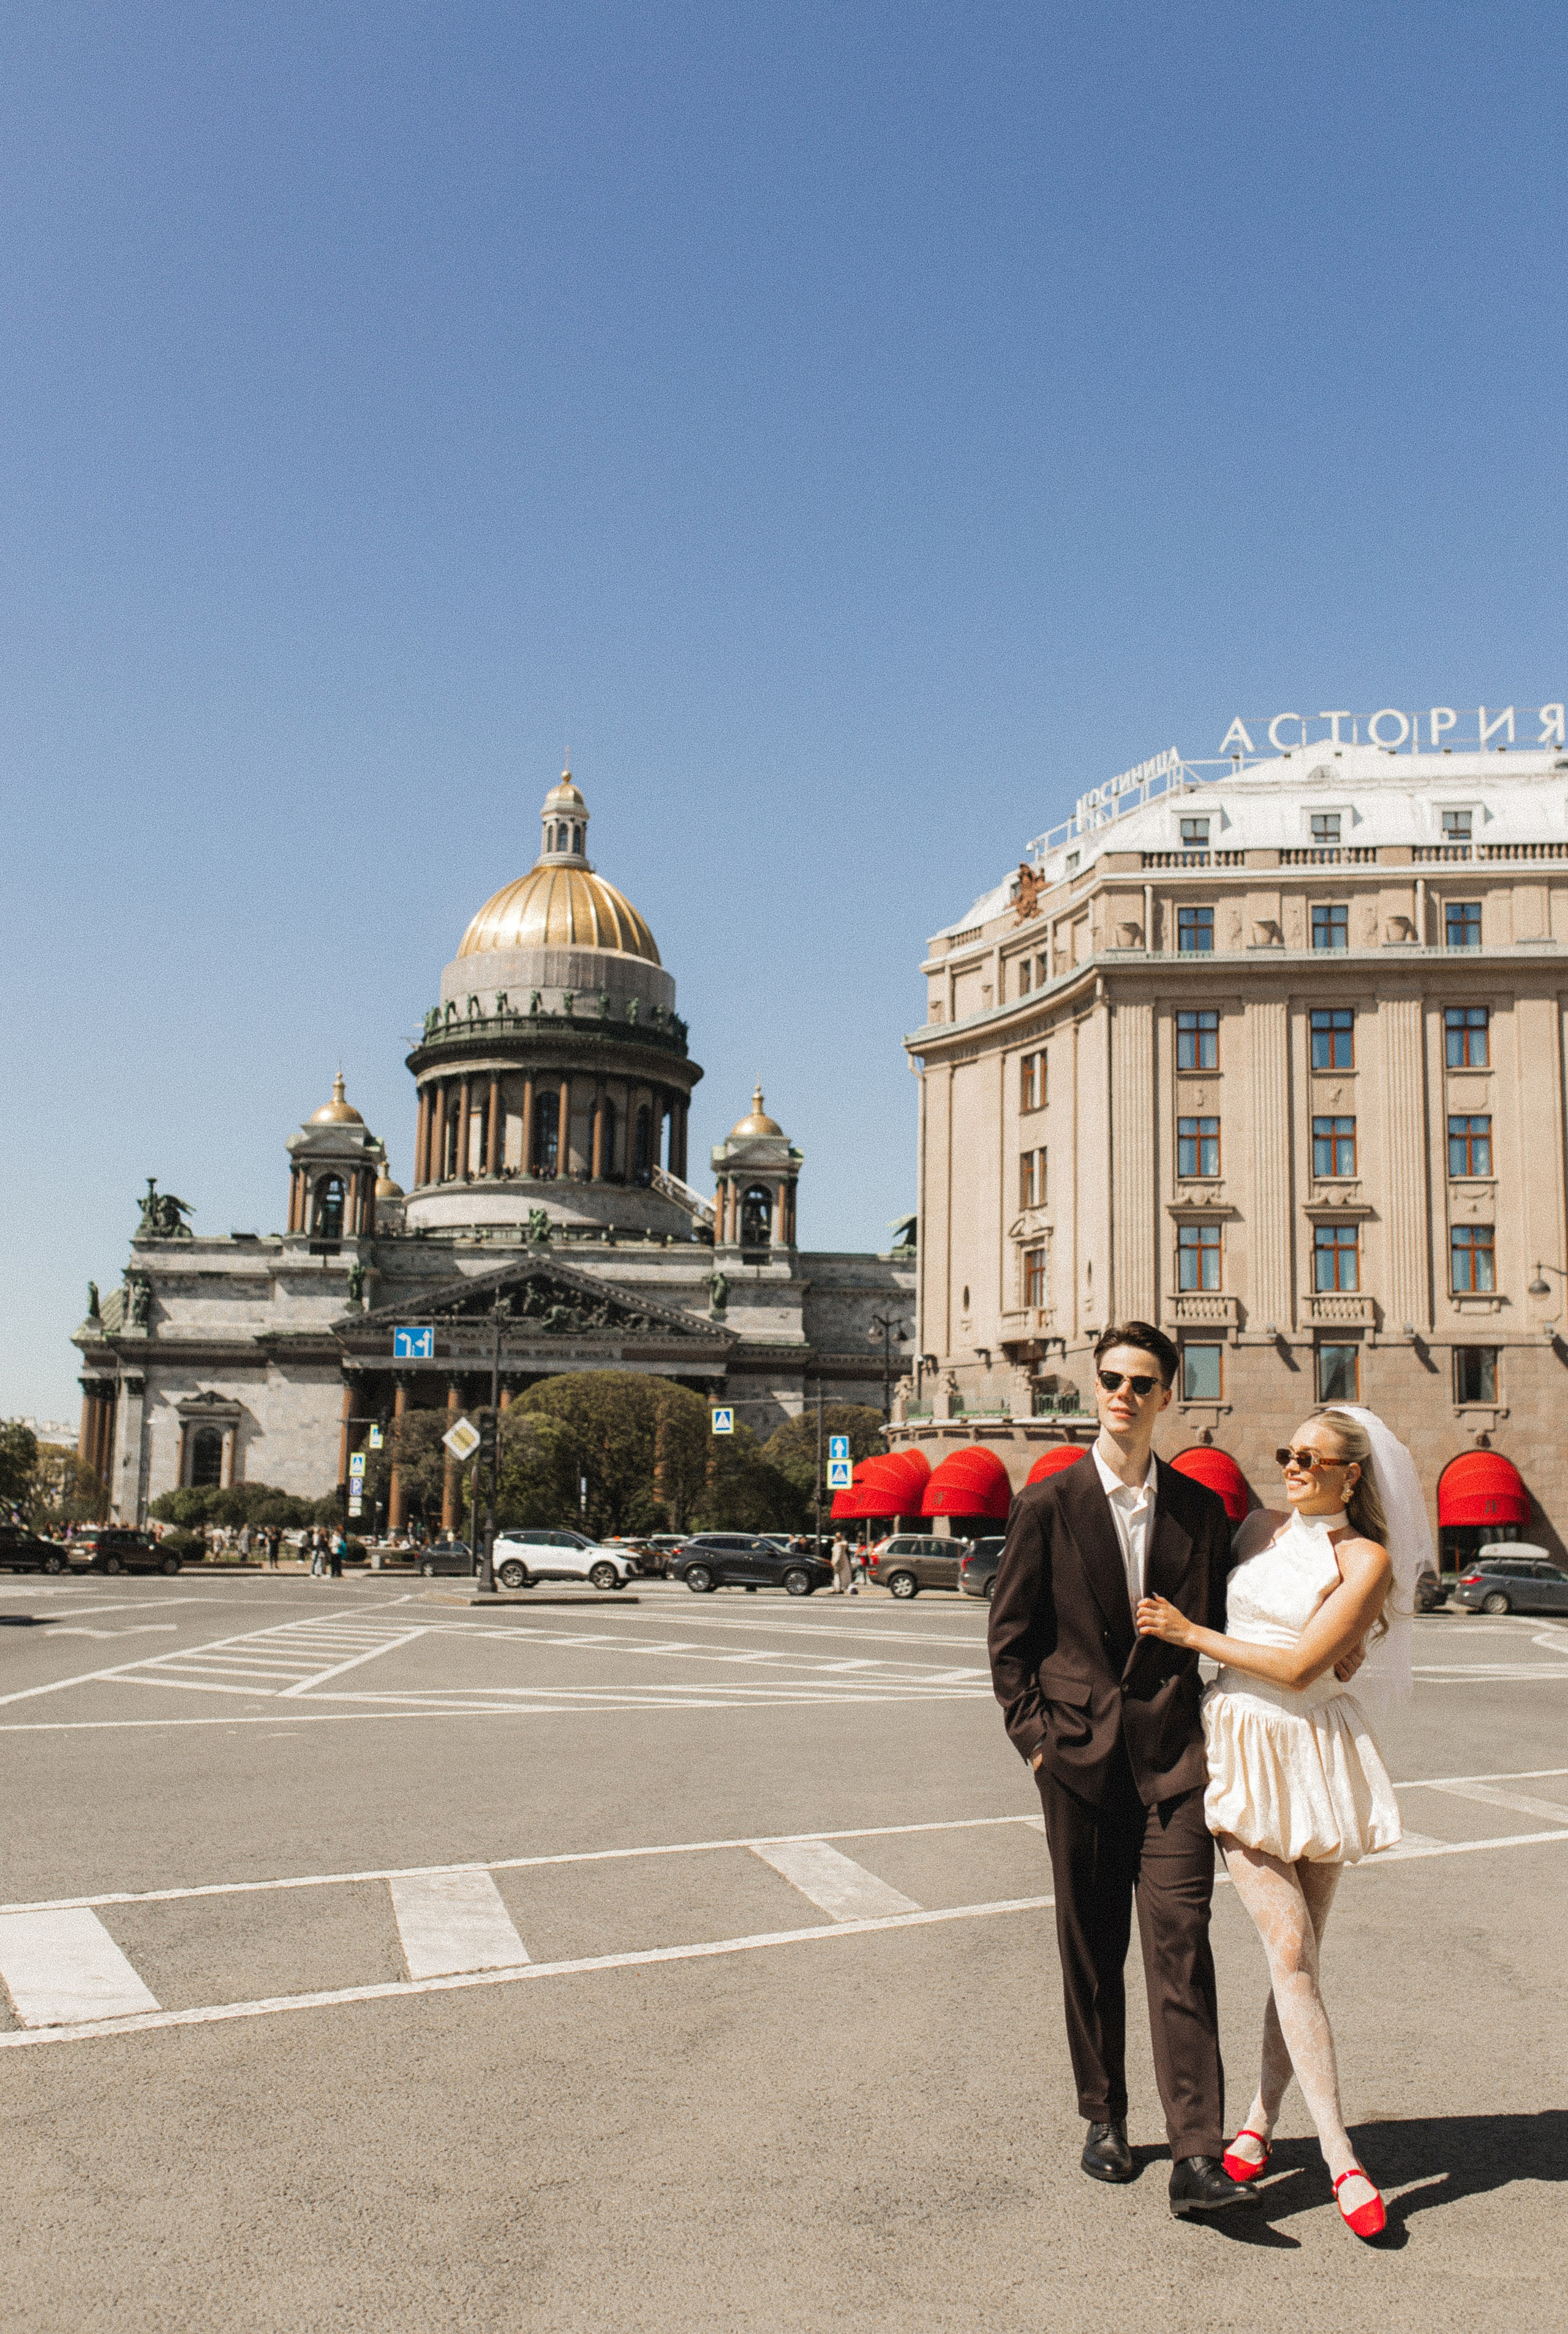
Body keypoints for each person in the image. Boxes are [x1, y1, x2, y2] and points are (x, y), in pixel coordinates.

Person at [1135, 1406, 1417, 2241]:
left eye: (1310, 1457)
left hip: (1315, 1748)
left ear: (1351, 1474)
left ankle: (1259, 2119)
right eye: (1286, 1453)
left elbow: (1301, 1667)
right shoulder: (1254, 1526)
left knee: (1301, 1963)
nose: (1292, 1466)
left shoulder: (1365, 1557)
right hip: (1241, 1744)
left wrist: (1196, 1636)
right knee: (1288, 1950)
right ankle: (1342, 2157)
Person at [988, 1321, 1248, 2217]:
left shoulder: (1199, 1511)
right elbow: (1010, 1642)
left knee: (1183, 1945)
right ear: (1093, 1386)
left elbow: (1231, 1626)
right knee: (1094, 1950)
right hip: (1078, 1763)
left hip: (1175, 1764)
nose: (1124, 1394)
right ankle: (1104, 2115)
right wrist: (1037, 1742)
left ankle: (1197, 2152)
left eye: (1142, 1381)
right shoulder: (1048, 1504)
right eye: (1111, 1378)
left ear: (1169, 1394)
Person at [831, 1531, 853, 1596]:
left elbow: (838, 1555)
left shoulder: (840, 1545)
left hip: (841, 1561)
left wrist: (834, 1562)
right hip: (841, 1561)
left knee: (839, 1575)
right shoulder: (838, 1545)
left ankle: (839, 1588)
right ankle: (838, 1588)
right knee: (838, 1575)